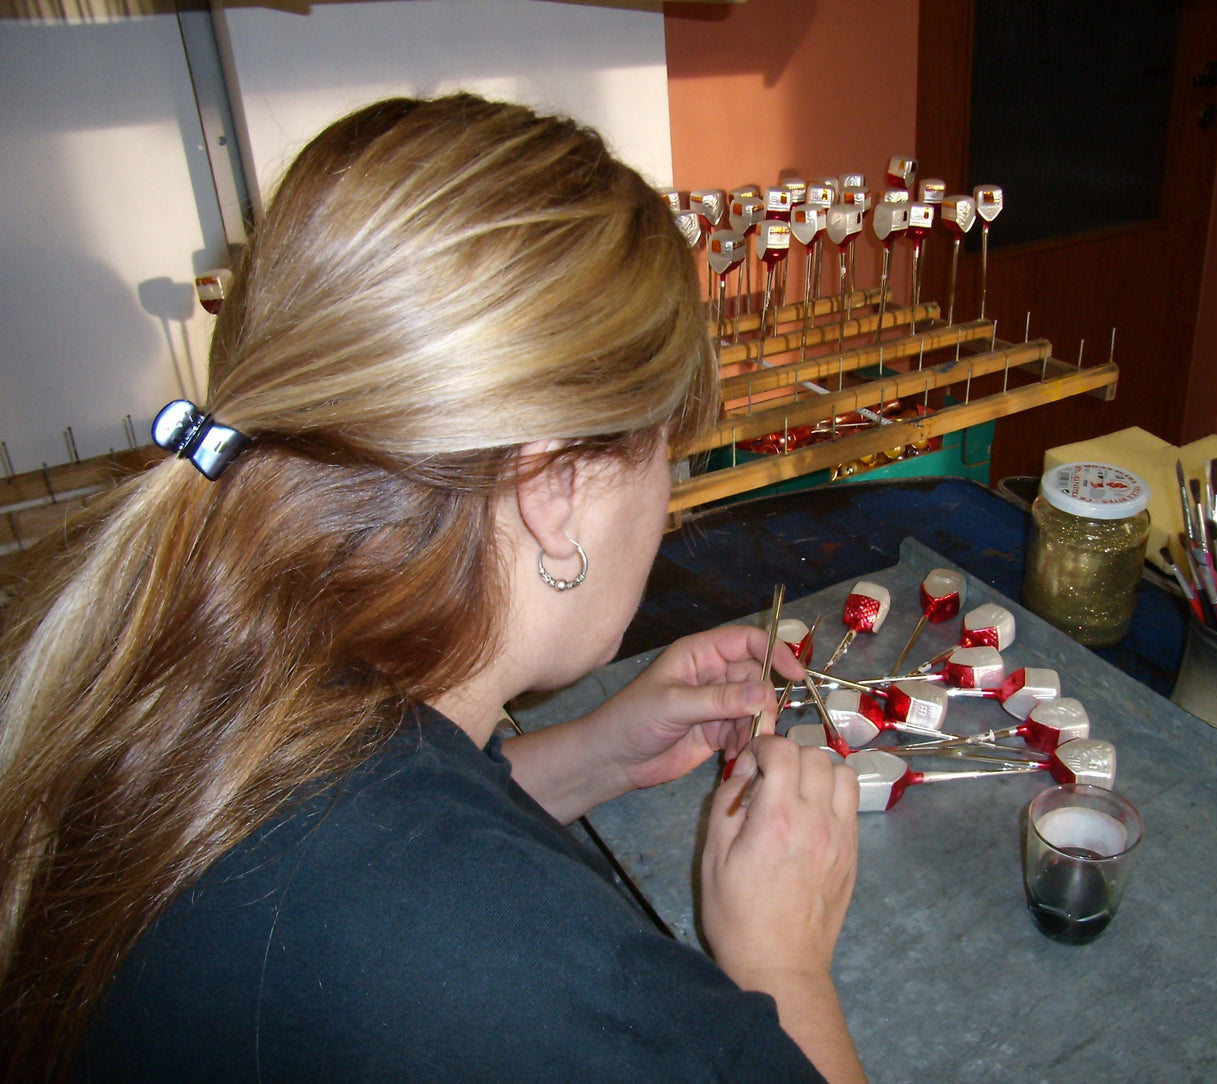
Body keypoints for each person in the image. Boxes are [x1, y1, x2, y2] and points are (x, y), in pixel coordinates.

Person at [0, 95, 864, 1082]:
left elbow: (366, 826)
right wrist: (784, 963)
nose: (667, 495)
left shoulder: (210, 644)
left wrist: (589, 754)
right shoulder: (531, 979)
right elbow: (429, 913)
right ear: (555, 487)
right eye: (665, 447)